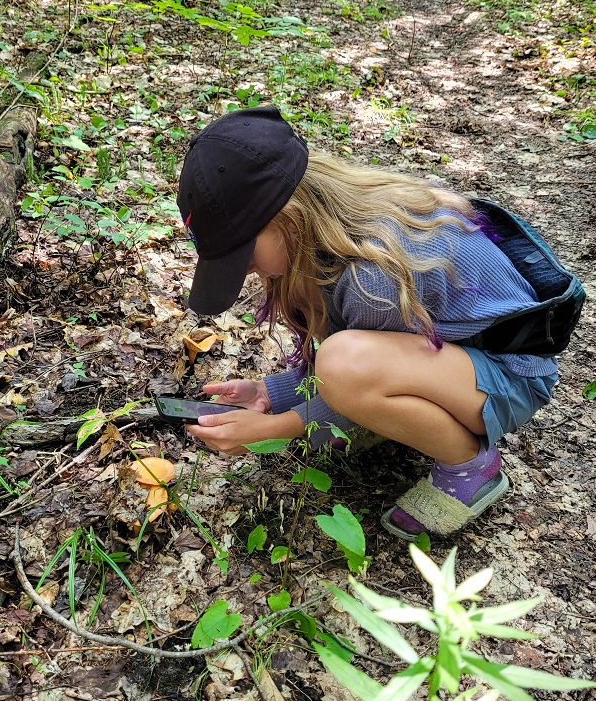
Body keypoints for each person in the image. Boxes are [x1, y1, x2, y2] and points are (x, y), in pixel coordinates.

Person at [176, 106, 559, 541]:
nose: (245, 271)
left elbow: (353, 368)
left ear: (290, 217)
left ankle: (472, 466)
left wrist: (278, 431)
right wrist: (271, 393)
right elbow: (364, 356)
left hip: (510, 376)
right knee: (345, 367)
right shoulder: (327, 240)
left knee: (345, 367)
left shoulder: (373, 271)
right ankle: (397, 419)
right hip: (449, 362)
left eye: (242, 255)